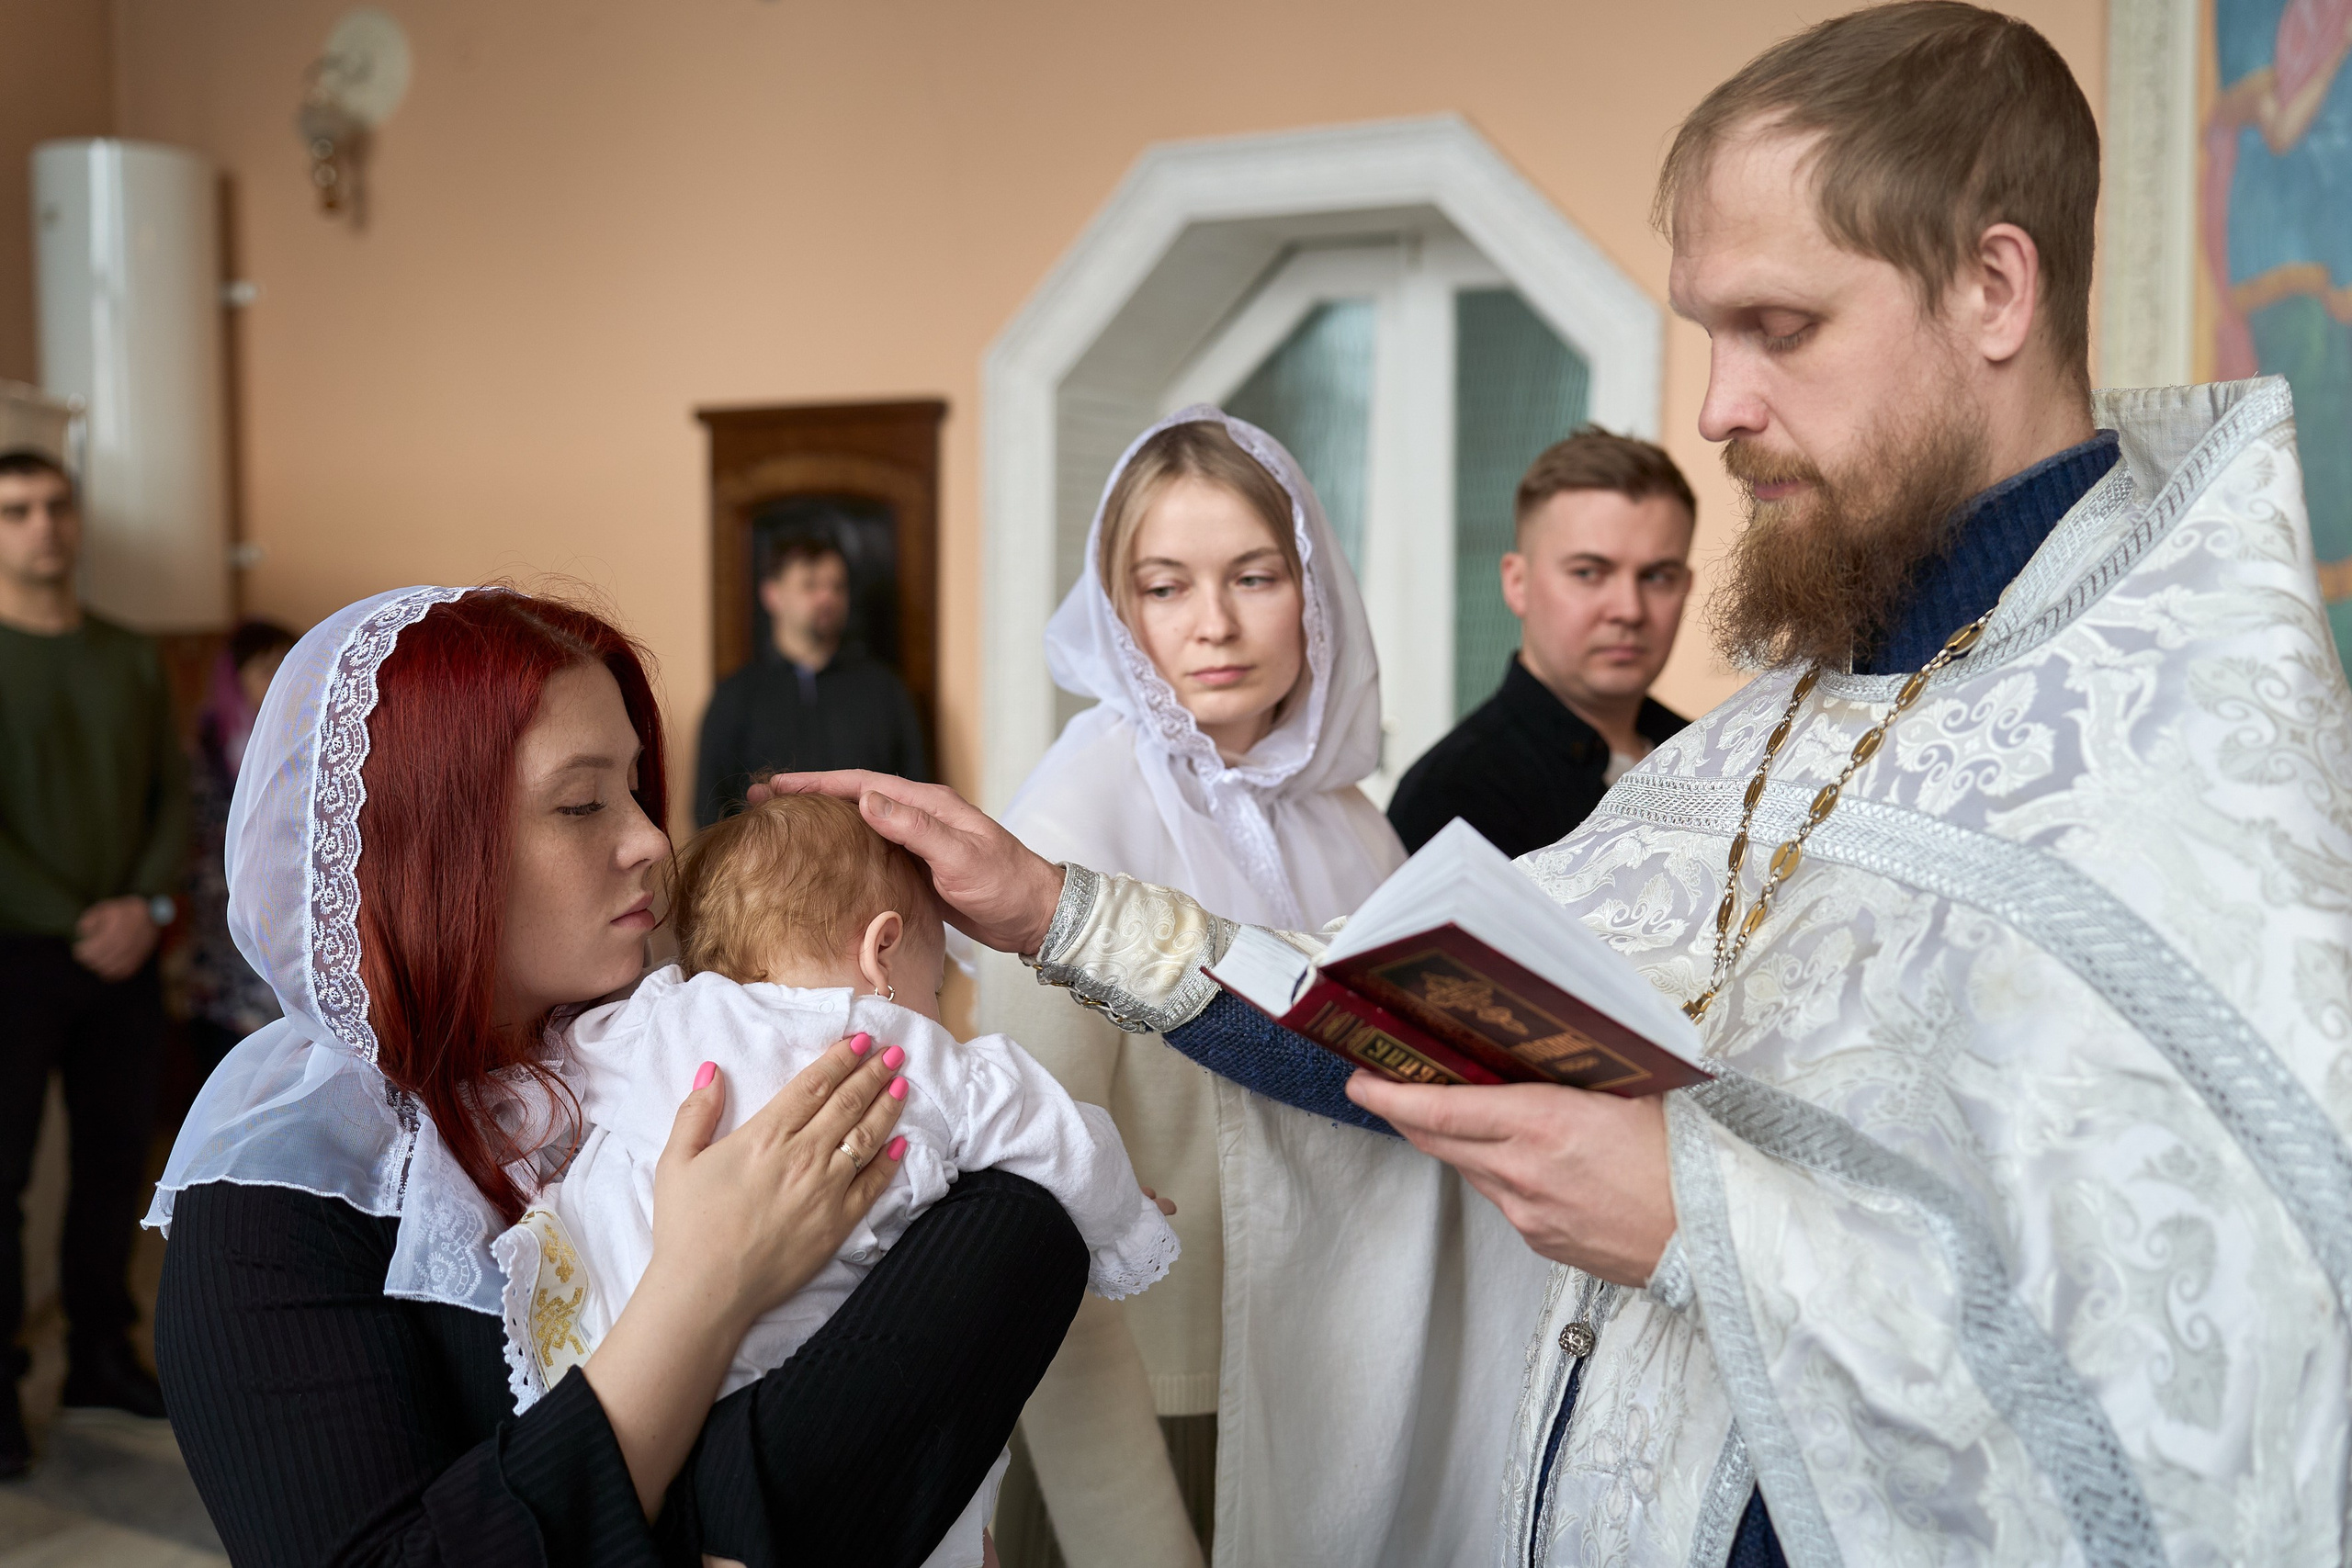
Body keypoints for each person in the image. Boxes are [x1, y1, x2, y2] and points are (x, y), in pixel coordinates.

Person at [770, 5, 2352, 1563]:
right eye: (1706, 333)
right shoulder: (1774, 730)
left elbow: (2213, 1387)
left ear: (1994, 287)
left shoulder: (2197, 782)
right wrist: (1054, 906)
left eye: (1780, 328)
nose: (1720, 403)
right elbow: (1412, 1030)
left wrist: (1694, 1223)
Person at [147, 587, 1086, 1566]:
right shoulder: (272, 1200)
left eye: (636, 791)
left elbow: (1013, 1238)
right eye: (582, 803)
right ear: (423, 848)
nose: (649, 840)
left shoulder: (680, 1043)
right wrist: (702, 1288)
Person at [977, 408, 1439, 1568]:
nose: (1215, 626)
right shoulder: (1070, 821)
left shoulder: (1356, 825)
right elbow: (1033, 1204)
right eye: (1165, 587)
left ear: (1313, 590)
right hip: (1151, 1407)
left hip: (1335, 1383)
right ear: (1118, 609)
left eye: (1254, 576)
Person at [494, 793, 1179, 1568]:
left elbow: (548, 1089)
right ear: (882, 952)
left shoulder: (653, 1023)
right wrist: (1125, 1226)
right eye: (937, 981)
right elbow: (1051, 1129)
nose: (936, 1011)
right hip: (805, 1404)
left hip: (627, 1385)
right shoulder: (890, 1046)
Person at [0, 446, 187, 1475]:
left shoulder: (126, 653)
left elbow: (170, 794)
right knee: (4, 1177)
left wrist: (142, 908)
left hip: (123, 953)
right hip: (17, 958)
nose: (42, 527)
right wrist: (81, 918)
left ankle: (97, 1356)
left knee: (119, 1164)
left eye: (56, 506)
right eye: (18, 510)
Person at [1387, 427, 1695, 857]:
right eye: (1589, 572)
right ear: (1518, 583)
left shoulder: (1713, 758)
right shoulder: (1453, 798)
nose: (1629, 609)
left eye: (1657, 576)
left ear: (1686, 586)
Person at [695, 532, 928, 827]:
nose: (827, 597)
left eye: (837, 586)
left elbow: (918, 795)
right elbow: (708, 810)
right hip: (763, 869)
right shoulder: (736, 695)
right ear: (772, 594)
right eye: (810, 585)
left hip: (868, 867)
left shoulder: (886, 690)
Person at [184, 616, 299, 1073]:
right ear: (235, 678)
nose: (279, 677)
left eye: (288, 662)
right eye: (264, 666)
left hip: (288, 931)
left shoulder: (311, 742)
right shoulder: (207, 751)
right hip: (223, 928)